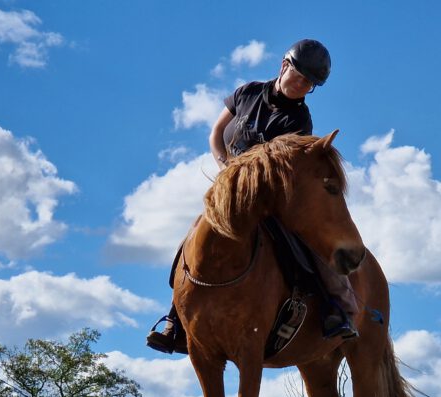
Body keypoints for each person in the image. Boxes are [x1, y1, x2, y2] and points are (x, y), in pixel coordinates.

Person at [146, 39, 355, 354]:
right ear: (284, 66)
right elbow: (217, 134)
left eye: (309, 84)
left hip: (268, 201)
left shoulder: (299, 121)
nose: (301, 86)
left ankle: (334, 308)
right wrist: (226, 169)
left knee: (306, 244)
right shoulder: (248, 93)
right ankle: (176, 319)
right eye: (299, 77)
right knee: (192, 242)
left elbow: (287, 171)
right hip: (227, 193)